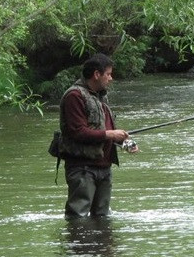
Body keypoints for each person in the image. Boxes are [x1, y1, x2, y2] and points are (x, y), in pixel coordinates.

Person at [58, 53, 138, 219]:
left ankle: (102, 246)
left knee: (102, 218)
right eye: (108, 74)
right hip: (82, 168)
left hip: (104, 167)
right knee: (77, 217)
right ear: (96, 74)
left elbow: (103, 131)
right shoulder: (74, 96)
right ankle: (78, 245)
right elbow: (77, 132)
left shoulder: (101, 97)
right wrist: (110, 134)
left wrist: (124, 142)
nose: (111, 78)